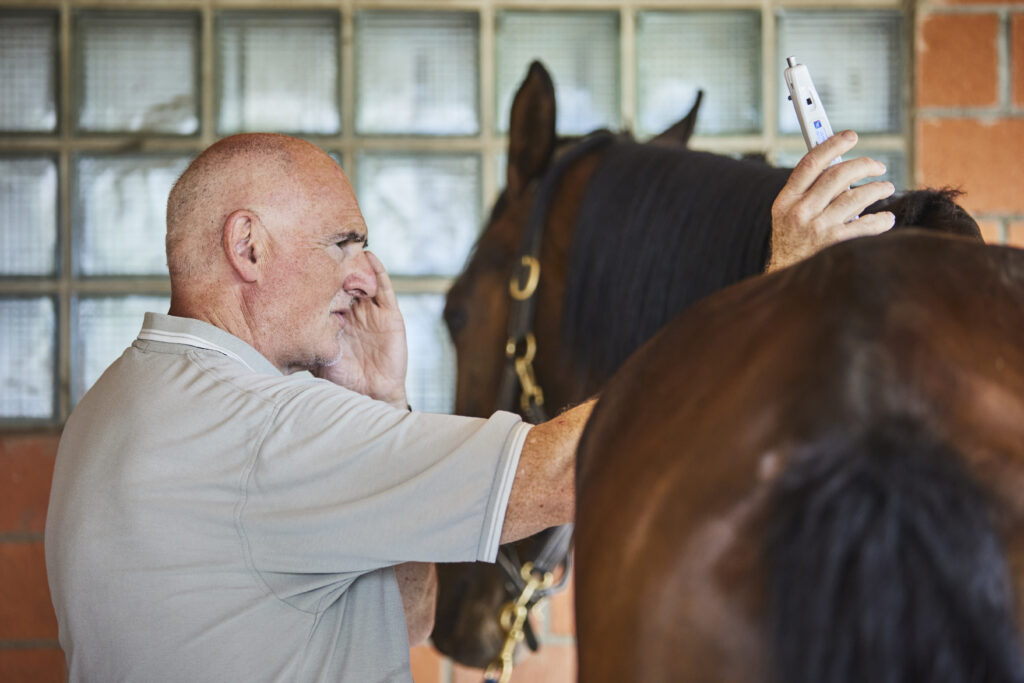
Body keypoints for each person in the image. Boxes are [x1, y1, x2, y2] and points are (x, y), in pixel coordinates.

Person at [44, 130, 893, 682]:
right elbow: (562, 475)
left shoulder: (118, 404)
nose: (362, 275)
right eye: (345, 241)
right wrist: (776, 290)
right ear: (249, 246)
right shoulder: (263, 429)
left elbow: (413, 614)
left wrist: (381, 400)